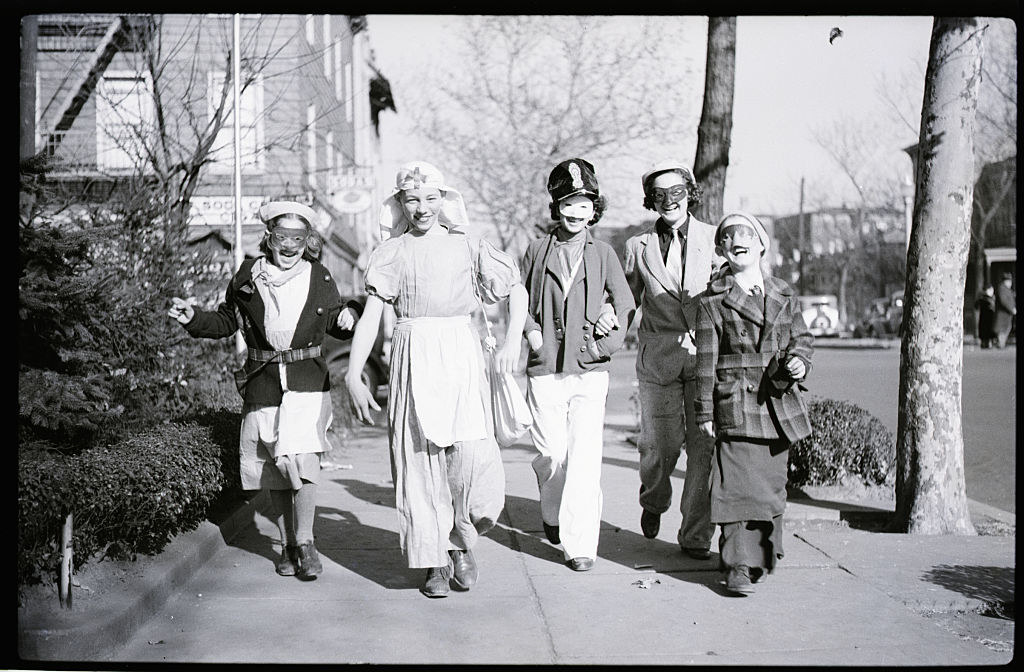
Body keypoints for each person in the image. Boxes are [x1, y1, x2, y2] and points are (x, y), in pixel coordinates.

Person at [345, 161, 528, 598]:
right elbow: (371, 316)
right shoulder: (391, 253)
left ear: (444, 200)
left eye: (430, 198)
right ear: (400, 203)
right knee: (417, 463)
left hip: (461, 353)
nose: (422, 208)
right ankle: (434, 562)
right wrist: (354, 373)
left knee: (471, 463)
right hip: (413, 353)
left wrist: (512, 341)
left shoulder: (469, 246)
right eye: (412, 199)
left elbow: (514, 290)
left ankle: (460, 540)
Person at [168, 201, 362, 581]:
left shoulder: (319, 276)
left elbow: (337, 315)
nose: (289, 246)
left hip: (307, 380)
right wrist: (193, 318)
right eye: (281, 236)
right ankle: (288, 543)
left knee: (303, 462)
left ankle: (305, 543)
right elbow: (227, 320)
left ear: (308, 240)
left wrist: (348, 315)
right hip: (265, 380)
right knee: (275, 468)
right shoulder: (247, 276)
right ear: (269, 237)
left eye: (298, 237)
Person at [520, 159, 635, 572]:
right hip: (545, 368)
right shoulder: (535, 251)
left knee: (585, 459)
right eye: (568, 201)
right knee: (552, 454)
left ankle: (579, 544)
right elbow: (520, 303)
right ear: (556, 204)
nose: (576, 210)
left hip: (590, 370)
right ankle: (550, 509)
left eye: (584, 202)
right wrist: (531, 331)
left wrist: (606, 336)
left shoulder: (603, 253)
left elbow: (624, 304)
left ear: (594, 207)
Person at [694, 212, 814, 596]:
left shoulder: (784, 293)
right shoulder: (712, 301)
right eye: (728, 236)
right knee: (735, 485)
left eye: (746, 234)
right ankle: (737, 564)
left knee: (769, 486)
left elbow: (803, 338)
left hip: (778, 401)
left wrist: (799, 359)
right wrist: (705, 412)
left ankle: (760, 557)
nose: (737, 239)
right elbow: (705, 363)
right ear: (721, 249)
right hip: (736, 400)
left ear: (762, 245)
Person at [622, 159, 723, 559]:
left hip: (705, 360)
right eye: (660, 195)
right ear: (651, 200)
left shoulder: (716, 240)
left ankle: (696, 534)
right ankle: (653, 499)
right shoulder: (636, 246)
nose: (669, 202)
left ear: (690, 193)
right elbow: (625, 298)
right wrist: (606, 333)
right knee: (659, 446)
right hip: (657, 358)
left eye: (676, 192)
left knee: (705, 448)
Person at [992, 272, 1016, 348]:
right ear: (1005, 281)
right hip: (1003, 314)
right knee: (1002, 329)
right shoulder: (1002, 289)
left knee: (1006, 328)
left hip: (1007, 314)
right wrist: (1011, 309)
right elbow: (1004, 301)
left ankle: (1001, 343)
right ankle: (1000, 344)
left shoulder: (1006, 289)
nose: (1010, 283)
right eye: (1009, 281)